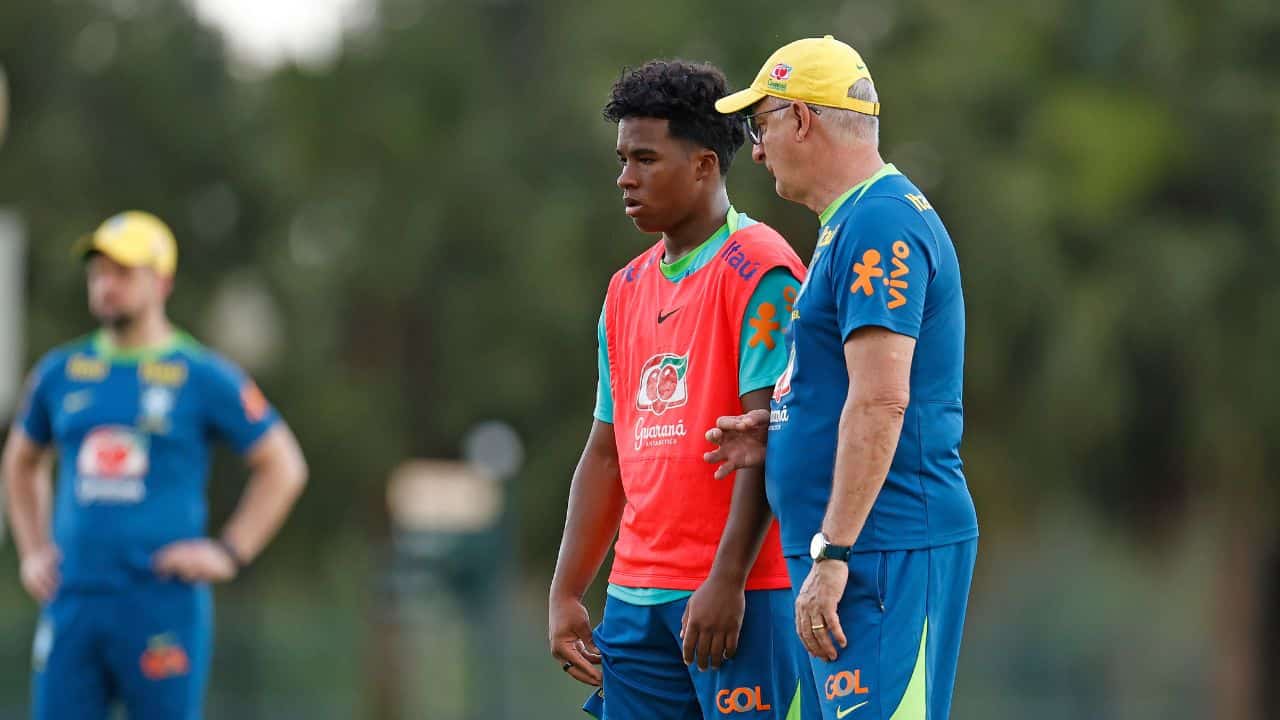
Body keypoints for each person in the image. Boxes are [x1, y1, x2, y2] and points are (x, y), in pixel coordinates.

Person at [707, 36, 979, 720]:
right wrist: (780, 430)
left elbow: (884, 399)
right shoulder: (847, 224)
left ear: (802, 119)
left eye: (760, 125)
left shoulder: (880, 221)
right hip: (851, 553)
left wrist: (835, 551)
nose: (758, 149)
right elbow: (844, 386)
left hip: (879, 552)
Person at [548, 60, 808, 719]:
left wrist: (727, 578)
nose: (625, 178)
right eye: (621, 159)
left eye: (644, 158)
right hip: (635, 599)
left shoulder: (761, 268)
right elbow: (606, 451)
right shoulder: (624, 290)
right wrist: (566, 591)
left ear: (701, 166)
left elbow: (771, 434)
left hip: (739, 594)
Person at [3, 210, 308, 719]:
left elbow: (283, 465)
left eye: (123, 273)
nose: (106, 285)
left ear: (162, 282)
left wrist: (230, 552)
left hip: (160, 601)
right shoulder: (61, 373)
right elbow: (21, 461)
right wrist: (32, 551)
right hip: (74, 598)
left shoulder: (201, 375)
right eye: (98, 272)